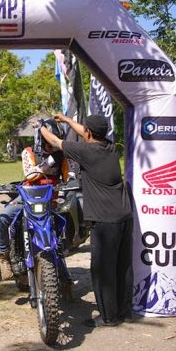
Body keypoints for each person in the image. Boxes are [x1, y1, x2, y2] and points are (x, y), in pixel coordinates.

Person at [40, 114, 133, 328]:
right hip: (124, 216)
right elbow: (86, 132)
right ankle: (124, 311)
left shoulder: (86, 151)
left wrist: (41, 127)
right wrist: (66, 119)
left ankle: (108, 317)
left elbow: (54, 141)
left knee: (102, 270)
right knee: (122, 267)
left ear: (89, 133)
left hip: (104, 220)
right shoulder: (110, 147)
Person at [0, 119, 73, 289]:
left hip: (50, 201)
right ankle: (4, 257)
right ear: (41, 139)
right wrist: (50, 161)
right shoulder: (28, 152)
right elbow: (30, 175)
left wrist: (71, 178)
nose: (53, 145)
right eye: (50, 142)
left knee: (57, 237)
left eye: (55, 141)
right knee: (2, 218)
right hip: (28, 197)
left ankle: (65, 277)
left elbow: (68, 178)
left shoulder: (62, 156)